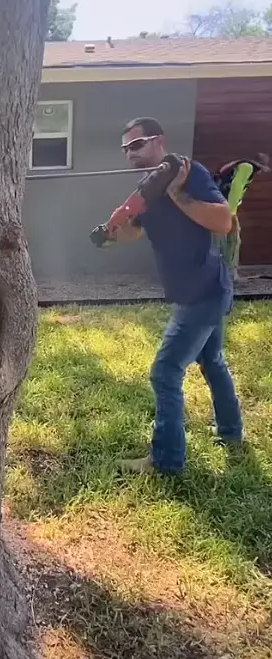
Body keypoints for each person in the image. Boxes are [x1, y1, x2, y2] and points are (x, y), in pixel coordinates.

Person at [111, 117, 243, 474]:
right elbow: (135, 233)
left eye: (136, 145)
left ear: (159, 142)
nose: (130, 154)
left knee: (165, 372)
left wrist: (178, 194)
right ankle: (230, 433)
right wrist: (112, 232)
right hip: (198, 289)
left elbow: (222, 221)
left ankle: (166, 461)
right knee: (212, 360)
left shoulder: (190, 173)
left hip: (201, 290)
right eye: (125, 149)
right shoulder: (147, 189)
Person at [212, 153, 270, 281]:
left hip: (220, 206)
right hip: (225, 208)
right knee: (232, 240)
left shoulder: (241, 165)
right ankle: (230, 274)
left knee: (226, 239)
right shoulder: (247, 167)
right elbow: (236, 187)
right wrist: (231, 212)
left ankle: (227, 273)